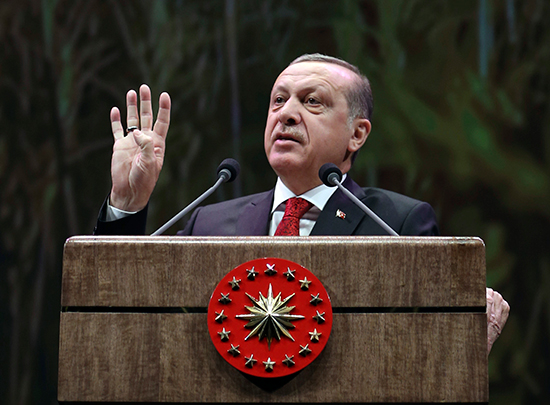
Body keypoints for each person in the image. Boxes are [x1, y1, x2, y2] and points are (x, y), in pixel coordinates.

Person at [94, 53, 509, 352]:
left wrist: (465, 346)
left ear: (357, 134)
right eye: (279, 100)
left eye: (313, 102)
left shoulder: (397, 223)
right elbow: (121, 314)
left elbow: (419, 350)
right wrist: (127, 204)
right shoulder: (210, 222)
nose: (287, 114)